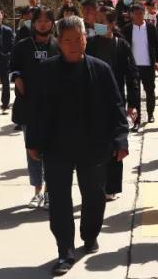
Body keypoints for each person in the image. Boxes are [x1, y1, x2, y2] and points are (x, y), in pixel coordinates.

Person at [27, 16, 129, 276]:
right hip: (57, 147)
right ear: (59, 42)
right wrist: (33, 143)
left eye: (78, 39)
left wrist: (120, 139)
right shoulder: (46, 71)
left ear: (85, 39)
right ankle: (65, 250)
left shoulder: (101, 70)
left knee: (94, 196)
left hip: (93, 145)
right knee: (59, 200)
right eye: (67, 40)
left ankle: (89, 234)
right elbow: (36, 110)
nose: (74, 44)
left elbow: (116, 106)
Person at [11, 7, 60, 209]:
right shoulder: (22, 46)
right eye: (39, 20)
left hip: (52, 109)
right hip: (28, 107)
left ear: (52, 23)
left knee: (51, 152)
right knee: (32, 152)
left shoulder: (58, 45)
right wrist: (18, 80)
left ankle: (49, 192)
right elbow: (13, 69)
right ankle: (37, 192)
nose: (43, 24)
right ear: (33, 23)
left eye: (47, 20)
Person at [88, 7, 139, 199]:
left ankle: (112, 187)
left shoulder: (121, 45)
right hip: (93, 100)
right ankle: (97, 183)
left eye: (102, 21)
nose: (98, 24)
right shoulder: (90, 44)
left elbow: (132, 76)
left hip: (115, 101)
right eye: (97, 20)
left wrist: (133, 103)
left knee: (116, 143)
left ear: (111, 24)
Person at [122, 3, 158, 126]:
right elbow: (123, 48)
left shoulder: (150, 28)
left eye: (141, 13)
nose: (139, 15)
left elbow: (157, 45)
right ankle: (136, 120)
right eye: (136, 13)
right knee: (134, 94)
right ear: (131, 15)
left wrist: (157, 61)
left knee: (150, 90)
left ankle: (150, 113)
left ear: (144, 13)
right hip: (133, 67)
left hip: (148, 65)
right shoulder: (127, 29)